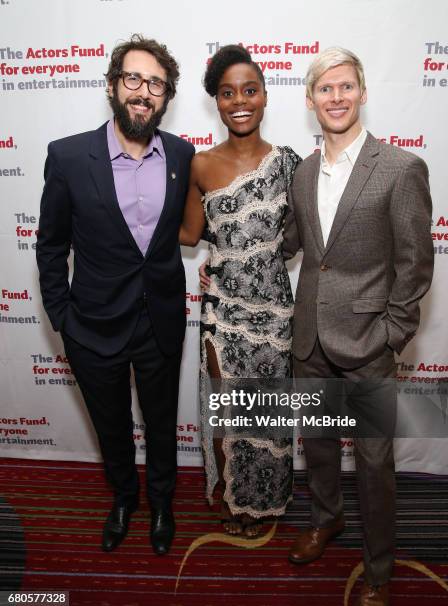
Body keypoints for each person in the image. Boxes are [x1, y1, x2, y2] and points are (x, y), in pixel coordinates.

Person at [283, 47, 433, 606]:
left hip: (369, 344)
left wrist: (391, 333)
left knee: (373, 464)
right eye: (325, 89)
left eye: (346, 87)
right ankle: (327, 520)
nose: (337, 97)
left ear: (363, 92)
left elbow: (416, 263)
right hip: (310, 341)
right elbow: (298, 247)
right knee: (319, 448)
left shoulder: (399, 168)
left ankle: (378, 568)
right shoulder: (300, 171)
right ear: (310, 100)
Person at [36, 34, 194, 556]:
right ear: (112, 85)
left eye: (155, 83)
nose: (143, 92)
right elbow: (51, 244)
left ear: (165, 96)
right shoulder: (68, 156)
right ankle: (125, 498)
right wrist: (62, 317)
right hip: (93, 326)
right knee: (111, 427)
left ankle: (163, 503)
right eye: (134, 79)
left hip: (160, 320)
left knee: (162, 423)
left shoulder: (180, 153)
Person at [180, 45, 300, 537]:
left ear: (266, 96)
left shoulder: (290, 164)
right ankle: (233, 496)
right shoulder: (201, 164)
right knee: (227, 409)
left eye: (249, 90)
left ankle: (265, 503)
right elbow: (188, 234)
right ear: (217, 102)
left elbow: (302, 237)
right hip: (222, 312)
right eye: (227, 93)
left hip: (273, 310)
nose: (240, 101)